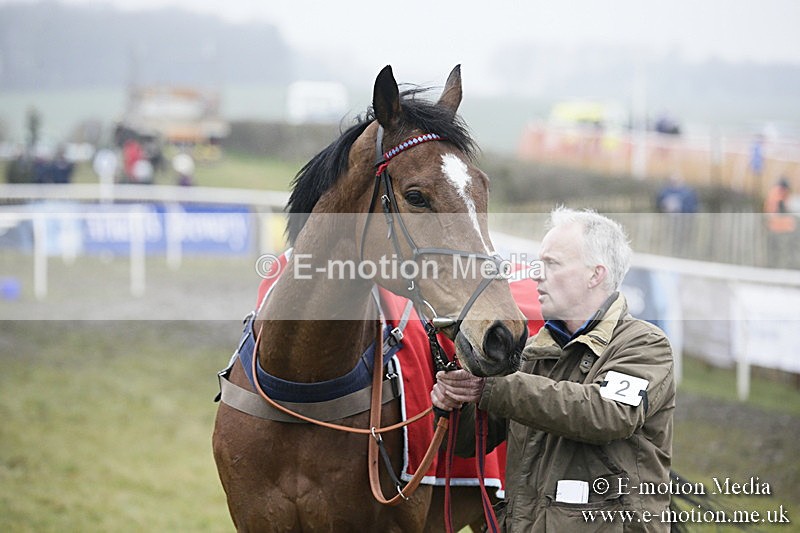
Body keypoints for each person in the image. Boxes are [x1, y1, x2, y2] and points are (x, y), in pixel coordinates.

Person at [431, 207, 675, 532]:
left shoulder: (645, 345)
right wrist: (451, 403)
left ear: (595, 275)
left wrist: (490, 389)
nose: (536, 274)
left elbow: (608, 413)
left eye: (551, 264)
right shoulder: (536, 352)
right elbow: (467, 444)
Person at [763, 177, 796, 268]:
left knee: (774, 249)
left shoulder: (774, 194)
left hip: (775, 227)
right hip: (779, 228)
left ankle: (773, 264)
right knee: (778, 249)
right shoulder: (779, 195)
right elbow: (781, 211)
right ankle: (775, 265)